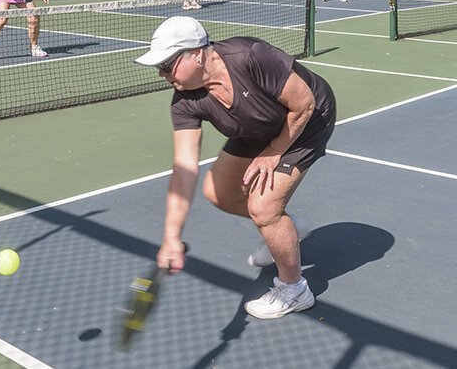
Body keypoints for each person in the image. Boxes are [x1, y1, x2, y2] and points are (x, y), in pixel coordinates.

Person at [135, 16, 337, 320]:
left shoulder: (249, 56)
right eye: (158, 68)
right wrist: (171, 237)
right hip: (255, 127)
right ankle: (287, 229)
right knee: (218, 193)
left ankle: (294, 289)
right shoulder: (184, 102)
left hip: (306, 122)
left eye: (168, 65)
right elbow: (184, 168)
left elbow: (303, 104)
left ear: (197, 54)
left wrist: (273, 152)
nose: (162, 74)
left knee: (264, 207)